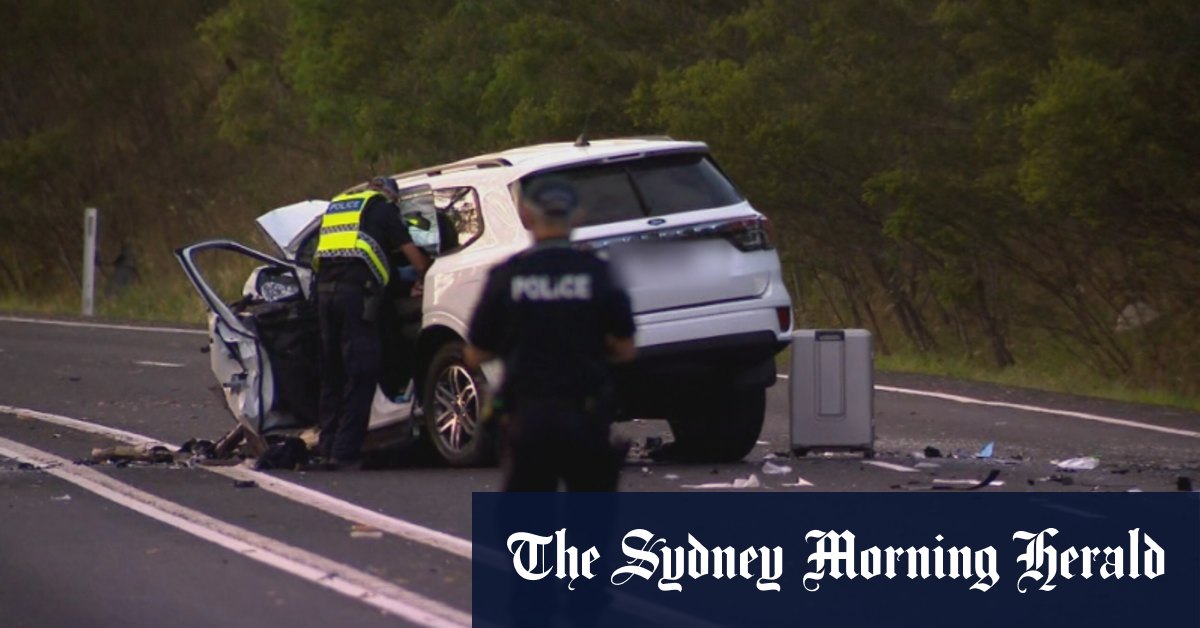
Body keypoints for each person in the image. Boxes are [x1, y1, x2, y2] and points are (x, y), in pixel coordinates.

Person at [465, 178, 636, 492]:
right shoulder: (597, 273)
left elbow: (475, 353)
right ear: (578, 217)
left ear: (527, 218)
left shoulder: (508, 276)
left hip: (528, 417)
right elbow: (626, 348)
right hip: (585, 415)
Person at [313, 176, 430, 469]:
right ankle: (344, 454)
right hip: (356, 295)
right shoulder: (383, 208)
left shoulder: (339, 207)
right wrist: (422, 276)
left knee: (333, 371)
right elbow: (414, 257)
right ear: (391, 196)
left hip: (324, 294)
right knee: (361, 371)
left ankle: (326, 448)